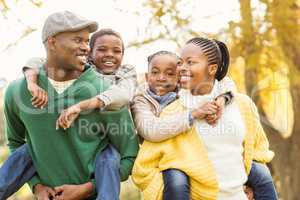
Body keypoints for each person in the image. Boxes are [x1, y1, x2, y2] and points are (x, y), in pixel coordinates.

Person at [1, 11, 139, 200]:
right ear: (52, 42)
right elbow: (16, 144)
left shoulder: (107, 93)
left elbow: (128, 156)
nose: (85, 47)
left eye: (86, 41)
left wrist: (89, 188)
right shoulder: (18, 91)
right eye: (78, 40)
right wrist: (37, 186)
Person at [131, 38, 277, 200]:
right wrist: (194, 114)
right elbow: (146, 163)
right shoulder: (168, 110)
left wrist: (223, 99)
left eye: (190, 62)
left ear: (212, 68)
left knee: (261, 172)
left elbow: (257, 151)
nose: (182, 68)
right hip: (195, 191)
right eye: (180, 63)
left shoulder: (241, 103)